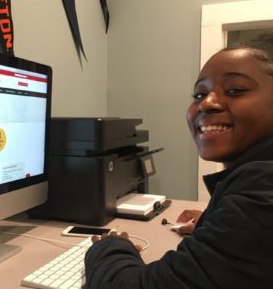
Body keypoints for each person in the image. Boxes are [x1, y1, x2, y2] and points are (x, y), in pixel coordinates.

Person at [84, 41, 273, 288]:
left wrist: (111, 247)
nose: (206, 103)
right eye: (199, 94)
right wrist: (216, 223)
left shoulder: (261, 197)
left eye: (235, 90)